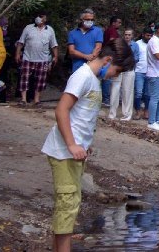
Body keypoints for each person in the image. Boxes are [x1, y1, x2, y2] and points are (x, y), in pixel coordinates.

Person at [43, 43, 116, 252]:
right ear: (108, 61)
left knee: (69, 205)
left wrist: (84, 144)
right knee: (67, 205)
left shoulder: (94, 80)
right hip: (64, 151)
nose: (114, 76)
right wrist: (72, 144)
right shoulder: (82, 76)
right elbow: (61, 110)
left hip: (74, 152)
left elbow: (82, 117)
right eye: (116, 71)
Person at [16, 12, 59, 105]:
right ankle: (23, 99)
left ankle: (37, 100)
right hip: (28, 58)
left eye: (41, 16)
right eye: (38, 16)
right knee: (24, 78)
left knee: (40, 80)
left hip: (43, 59)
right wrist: (18, 53)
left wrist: (55, 56)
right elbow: (21, 42)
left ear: (45, 18)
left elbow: (54, 45)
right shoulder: (28, 28)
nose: (39, 18)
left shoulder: (50, 30)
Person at [107, 28, 139, 120]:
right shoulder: (119, 43)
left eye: (129, 35)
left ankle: (127, 114)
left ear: (132, 36)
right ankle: (112, 114)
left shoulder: (135, 45)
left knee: (127, 92)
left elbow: (136, 58)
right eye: (126, 34)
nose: (127, 36)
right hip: (118, 69)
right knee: (114, 90)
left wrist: (126, 61)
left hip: (129, 69)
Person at [66, 9, 103, 74]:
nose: (90, 21)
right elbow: (71, 51)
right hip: (77, 67)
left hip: (93, 67)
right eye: (88, 19)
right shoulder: (72, 33)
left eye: (92, 20)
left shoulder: (98, 31)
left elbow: (98, 47)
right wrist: (85, 56)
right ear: (81, 20)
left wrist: (91, 58)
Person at [132, 26, 152, 120]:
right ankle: (138, 111)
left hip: (150, 71)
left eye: (150, 36)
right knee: (138, 93)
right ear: (143, 34)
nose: (149, 37)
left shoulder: (152, 44)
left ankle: (146, 111)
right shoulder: (137, 44)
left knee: (148, 93)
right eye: (147, 35)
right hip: (139, 71)